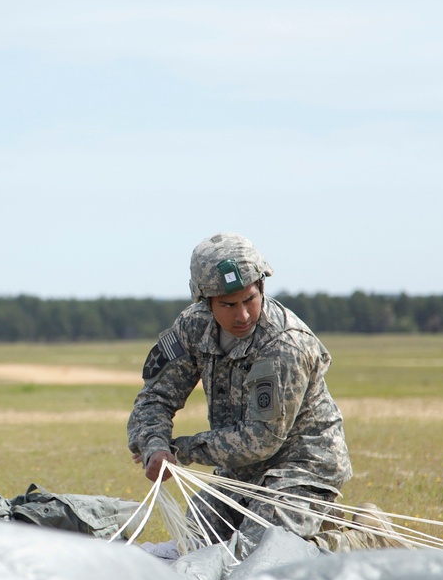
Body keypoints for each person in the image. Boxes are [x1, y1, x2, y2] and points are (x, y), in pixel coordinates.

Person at [127, 233, 354, 555]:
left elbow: (262, 439)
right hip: (239, 473)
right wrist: (154, 446)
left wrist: (182, 449)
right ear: (205, 302)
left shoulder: (286, 344)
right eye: (228, 305)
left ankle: (353, 541)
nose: (243, 315)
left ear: (262, 287)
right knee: (195, 545)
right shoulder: (193, 327)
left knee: (253, 556)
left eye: (250, 299)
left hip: (300, 468)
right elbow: (155, 397)